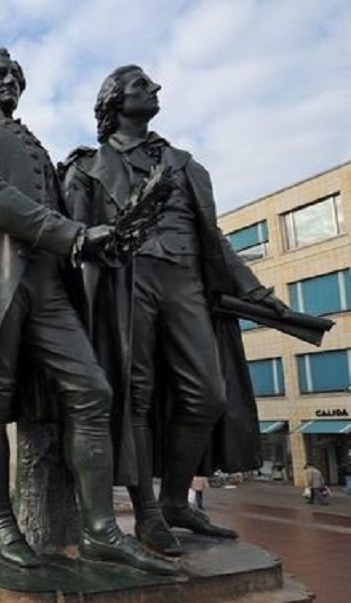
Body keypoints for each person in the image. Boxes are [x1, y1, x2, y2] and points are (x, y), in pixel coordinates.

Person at [0, 48, 175, 575]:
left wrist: (110, 234)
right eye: (0, 75)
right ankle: (2, 526)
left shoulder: (38, 147)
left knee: (93, 391)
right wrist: (76, 235)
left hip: (48, 288)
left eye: (17, 77)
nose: (11, 82)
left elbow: (70, 209)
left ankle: (101, 531)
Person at [62, 65, 290, 556]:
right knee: (135, 396)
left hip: (186, 280)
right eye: (142, 85)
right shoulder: (85, 168)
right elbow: (76, 245)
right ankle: (146, 514)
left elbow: (217, 240)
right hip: (128, 281)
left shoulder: (186, 165)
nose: (156, 89)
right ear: (114, 100)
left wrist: (257, 291)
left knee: (208, 393)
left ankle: (174, 501)